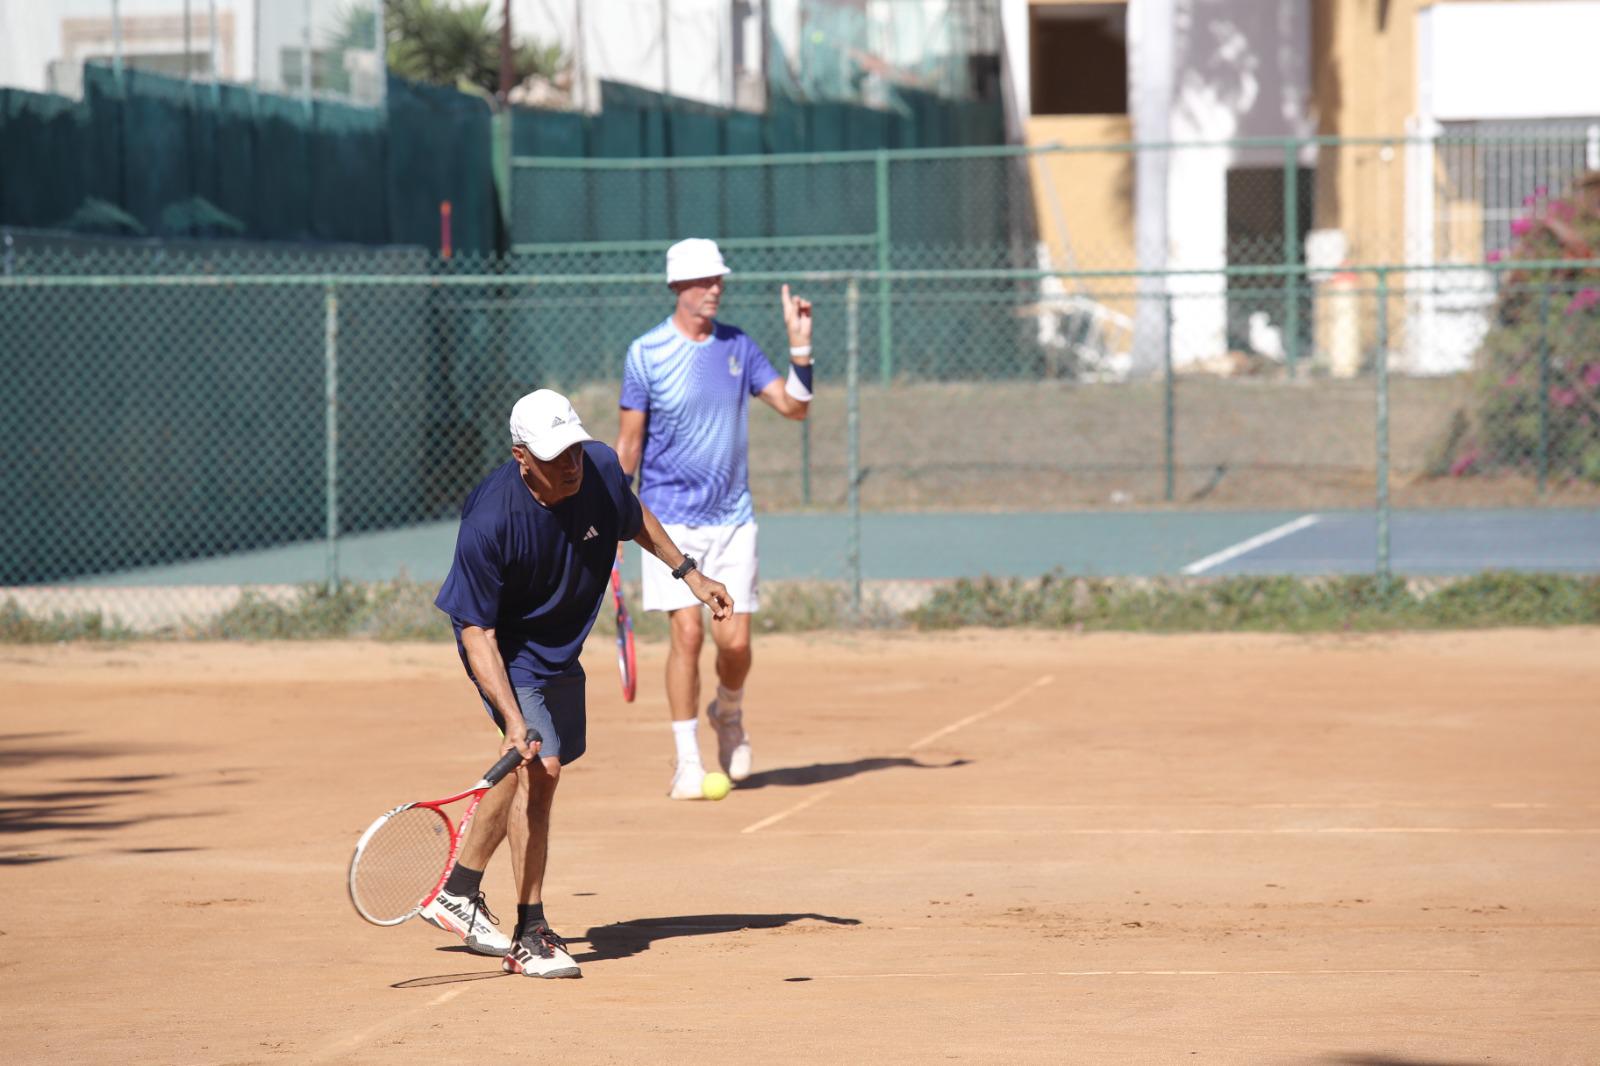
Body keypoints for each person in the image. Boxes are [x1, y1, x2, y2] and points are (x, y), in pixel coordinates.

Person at [425, 389, 732, 979]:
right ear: (521, 457)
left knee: (530, 767)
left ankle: (457, 891)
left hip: (560, 649)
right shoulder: (490, 520)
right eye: (554, 455)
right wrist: (513, 717)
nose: (570, 464)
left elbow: (631, 514)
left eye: (573, 448)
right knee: (541, 768)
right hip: (508, 651)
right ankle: (530, 932)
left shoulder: (599, 467)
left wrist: (689, 573)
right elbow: (477, 632)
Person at [616, 238, 814, 800]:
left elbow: (795, 407)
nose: (715, 289)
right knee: (686, 633)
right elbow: (629, 445)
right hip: (668, 522)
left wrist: (801, 347)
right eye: (704, 281)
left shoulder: (739, 346)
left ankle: (728, 711)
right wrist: (612, 514)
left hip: (732, 520)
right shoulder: (646, 354)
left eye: (719, 280)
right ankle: (687, 762)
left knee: (735, 645)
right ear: (677, 286)